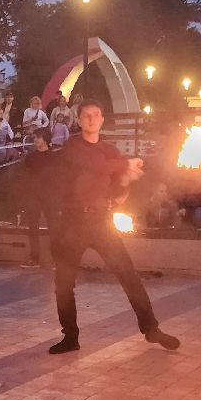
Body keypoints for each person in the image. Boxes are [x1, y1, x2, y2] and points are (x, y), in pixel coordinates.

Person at [48, 102, 180, 355]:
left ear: (102, 119)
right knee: (64, 284)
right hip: (73, 221)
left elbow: (118, 186)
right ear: (78, 119)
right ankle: (70, 337)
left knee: (129, 276)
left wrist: (125, 185)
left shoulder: (110, 150)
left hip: (101, 221)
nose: (91, 119)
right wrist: (125, 165)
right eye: (86, 115)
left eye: (96, 115)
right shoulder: (73, 146)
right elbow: (95, 166)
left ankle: (151, 329)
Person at [21, 128, 58, 267]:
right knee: (33, 228)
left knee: (54, 228)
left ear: (46, 139)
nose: (36, 140)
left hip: (50, 196)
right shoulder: (30, 157)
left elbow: (58, 179)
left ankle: (57, 259)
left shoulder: (54, 157)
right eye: (35, 137)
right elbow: (25, 176)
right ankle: (34, 258)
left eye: (39, 137)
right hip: (33, 196)